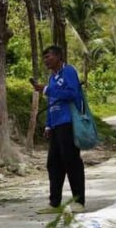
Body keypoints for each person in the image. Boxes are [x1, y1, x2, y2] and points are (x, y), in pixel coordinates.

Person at [31, 46, 86, 214]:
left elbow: (72, 93)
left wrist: (46, 89)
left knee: (71, 161)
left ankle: (79, 202)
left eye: (48, 57)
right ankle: (54, 203)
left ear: (59, 57)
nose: (45, 60)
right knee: (53, 164)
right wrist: (48, 124)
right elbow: (52, 102)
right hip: (56, 125)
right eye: (44, 58)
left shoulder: (68, 71)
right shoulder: (52, 77)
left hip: (68, 122)